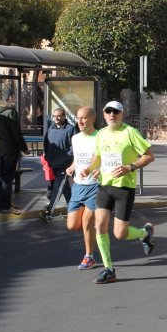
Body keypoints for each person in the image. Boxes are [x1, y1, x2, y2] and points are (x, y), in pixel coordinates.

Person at [80, 101, 155, 284]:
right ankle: (109, 269)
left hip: (124, 187)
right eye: (108, 112)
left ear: (122, 114)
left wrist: (130, 167)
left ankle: (145, 234)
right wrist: (90, 168)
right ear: (104, 115)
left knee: (120, 233)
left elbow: (149, 155)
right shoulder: (102, 134)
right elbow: (99, 155)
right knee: (100, 224)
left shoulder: (130, 132)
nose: (112, 115)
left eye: (116, 112)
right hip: (105, 185)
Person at [65, 106, 99, 270]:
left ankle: (89, 257)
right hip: (78, 186)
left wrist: (95, 169)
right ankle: (97, 228)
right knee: (72, 225)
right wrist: (72, 167)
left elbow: (103, 157)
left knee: (87, 223)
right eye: (78, 118)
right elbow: (77, 158)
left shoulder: (100, 137)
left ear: (92, 118)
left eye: (84, 118)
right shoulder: (76, 138)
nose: (80, 121)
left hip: (95, 186)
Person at [0, 91, 28, 215]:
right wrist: (24, 148)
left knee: (2, 177)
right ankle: (5, 206)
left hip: (2, 148)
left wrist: (0, 139)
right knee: (7, 178)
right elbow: (16, 133)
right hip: (11, 149)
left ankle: (0, 203)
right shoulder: (10, 112)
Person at [40, 107, 77, 222]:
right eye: (54, 116)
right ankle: (74, 211)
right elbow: (46, 144)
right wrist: (47, 157)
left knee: (57, 187)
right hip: (52, 164)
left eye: (59, 116)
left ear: (64, 116)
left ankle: (48, 213)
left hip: (65, 165)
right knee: (65, 189)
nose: (56, 118)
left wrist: (67, 157)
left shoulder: (70, 129)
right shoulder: (50, 128)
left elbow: (75, 146)